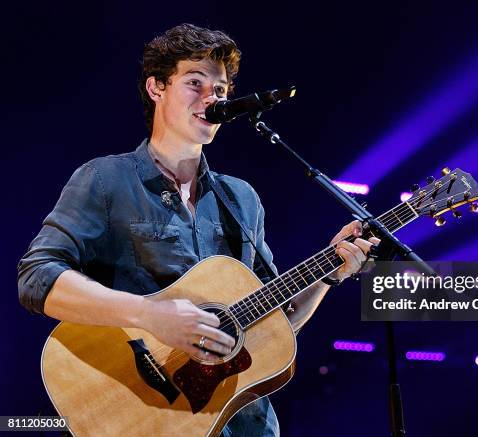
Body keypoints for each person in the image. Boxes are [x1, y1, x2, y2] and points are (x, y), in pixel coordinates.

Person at [17, 23, 378, 437]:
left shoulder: (241, 199)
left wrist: (328, 275)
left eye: (221, 90)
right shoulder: (105, 179)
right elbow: (36, 277)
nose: (213, 98)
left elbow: (273, 325)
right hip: (145, 415)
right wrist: (152, 316)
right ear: (157, 88)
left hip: (243, 424)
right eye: (195, 83)